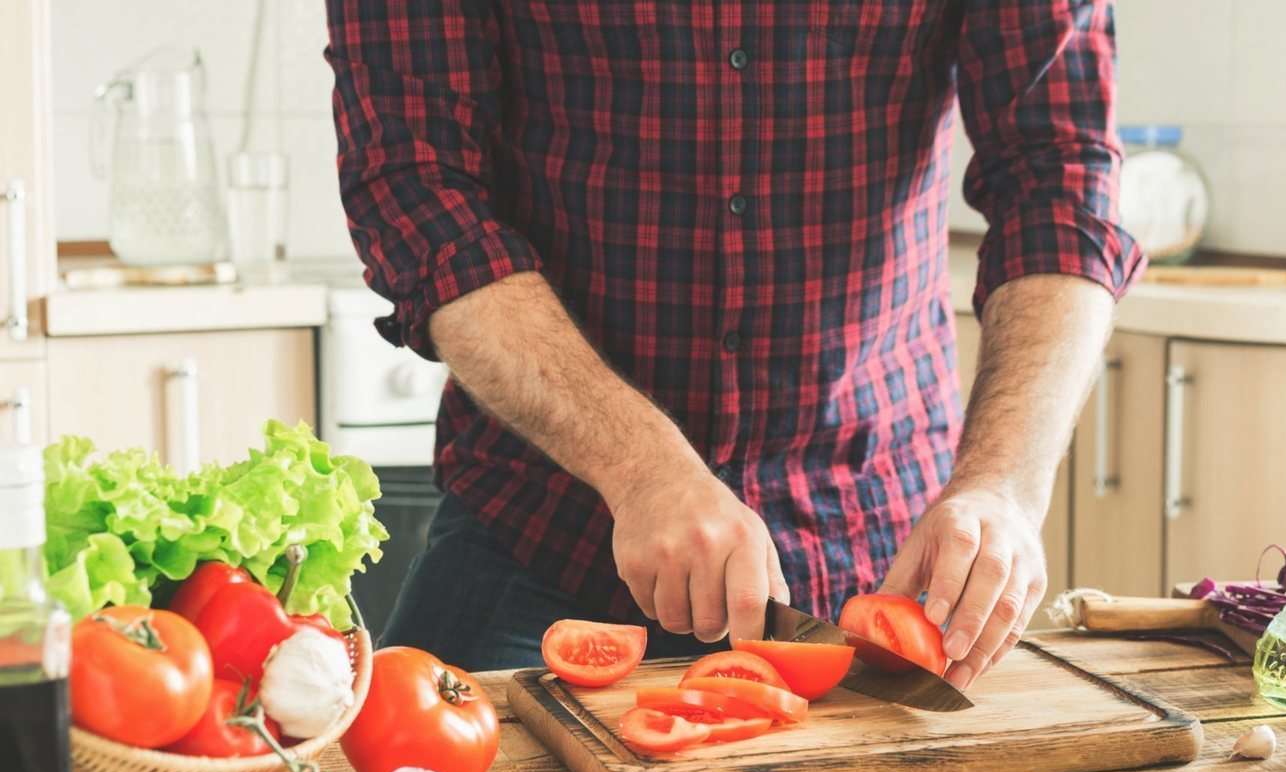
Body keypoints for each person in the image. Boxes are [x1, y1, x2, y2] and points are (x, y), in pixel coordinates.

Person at [326, 0, 1142, 689]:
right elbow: (415, 183)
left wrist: (1003, 486)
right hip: (544, 529)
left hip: (881, 549)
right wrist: (639, 465)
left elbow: (1059, 177)